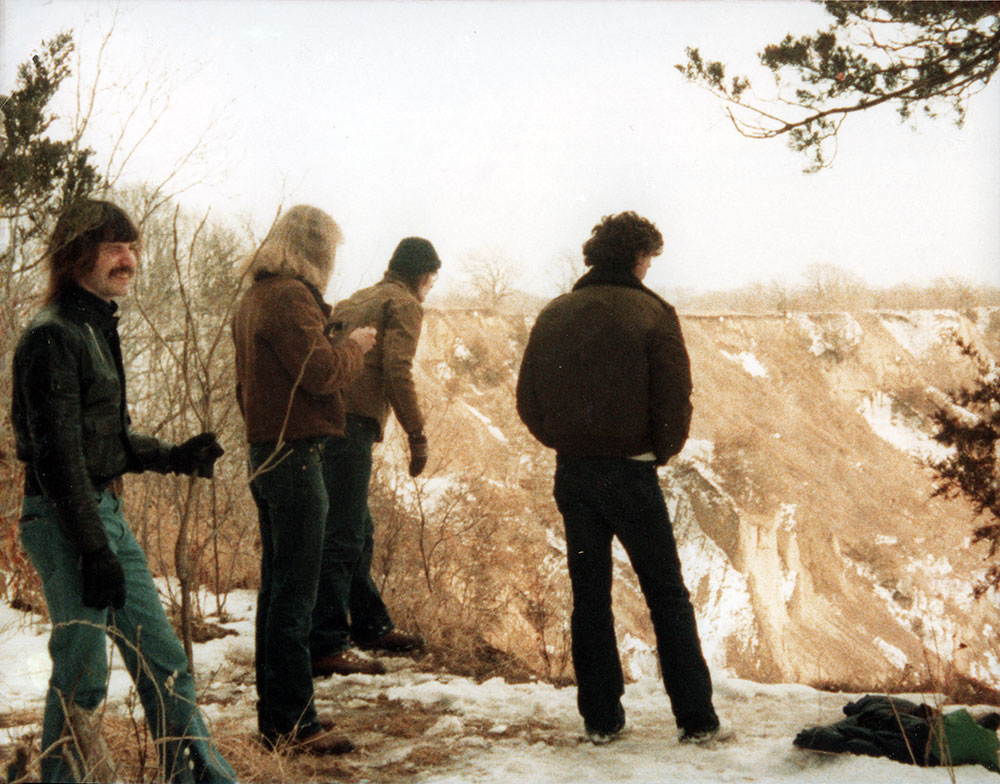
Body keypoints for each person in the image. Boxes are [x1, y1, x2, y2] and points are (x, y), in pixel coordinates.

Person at [11, 199, 237, 783]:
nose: (128, 258)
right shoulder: (51, 338)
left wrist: (175, 456)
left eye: (132, 246)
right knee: (83, 675)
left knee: (163, 661)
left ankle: (199, 778)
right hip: (65, 521)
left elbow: (103, 438)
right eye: (114, 247)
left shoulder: (94, 324)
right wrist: (93, 550)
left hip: (98, 513)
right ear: (76, 254)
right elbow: (58, 461)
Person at [515, 211, 724, 746]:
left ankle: (601, 719)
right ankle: (696, 719)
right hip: (631, 474)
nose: (650, 267)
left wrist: (567, 442)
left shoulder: (554, 313)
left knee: (590, 595)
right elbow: (675, 401)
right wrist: (658, 453)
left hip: (574, 474)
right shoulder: (653, 314)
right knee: (666, 594)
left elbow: (528, 402)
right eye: (650, 258)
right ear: (637, 258)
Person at [231, 205, 376, 755]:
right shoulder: (290, 296)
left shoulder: (254, 296)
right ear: (317, 250)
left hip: (266, 454)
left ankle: (280, 723)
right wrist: (356, 347)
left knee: (278, 594)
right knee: (295, 596)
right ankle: (294, 726)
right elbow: (322, 373)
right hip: (294, 459)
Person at [309, 237, 439, 677]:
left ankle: (369, 625)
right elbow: (397, 368)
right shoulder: (404, 304)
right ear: (423, 277)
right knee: (344, 533)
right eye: (431, 281)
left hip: (325, 419)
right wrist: (417, 433)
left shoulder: (356, 298)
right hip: (352, 426)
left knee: (356, 527)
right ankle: (326, 644)